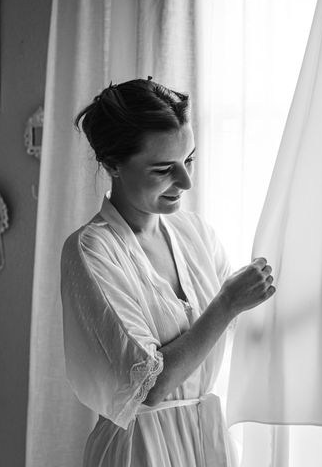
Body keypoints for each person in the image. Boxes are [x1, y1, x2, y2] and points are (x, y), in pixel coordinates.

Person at [61, 77, 276, 467]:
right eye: (164, 169)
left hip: (205, 440)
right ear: (113, 164)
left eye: (188, 160)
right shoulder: (92, 251)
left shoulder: (196, 234)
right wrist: (226, 302)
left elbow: (257, 326)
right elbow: (150, 387)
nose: (186, 182)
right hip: (141, 451)